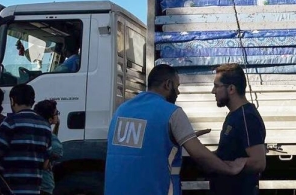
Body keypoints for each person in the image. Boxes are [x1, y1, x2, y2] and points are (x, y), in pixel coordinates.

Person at [105, 64, 246, 195]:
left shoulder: (121, 110)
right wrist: (230, 169)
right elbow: (200, 155)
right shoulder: (172, 112)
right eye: (177, 86)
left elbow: (143, 146)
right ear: (168, 84)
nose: (178, 92)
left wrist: (179, 137)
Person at [209, 63, 267, 195]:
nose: (213, 91)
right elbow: (227, 153)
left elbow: (259, 162)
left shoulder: (247, 117)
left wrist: (231, 166)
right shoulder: (234, 115)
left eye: (217, 86)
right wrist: (201, 155)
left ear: (231, 89)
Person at [0, 84, 52, 195]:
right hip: (34, 189)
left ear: (12, 100)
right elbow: (46, 162)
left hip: (10, 188)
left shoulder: (10, 122)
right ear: (32, 102)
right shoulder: (46, 126)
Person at [33, 99, 63, 195]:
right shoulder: (48, 135)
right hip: (45, 184)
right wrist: (49, 160)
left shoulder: (35, 131)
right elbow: (57, 150)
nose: (57, 115)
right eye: (56, 113)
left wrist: (57, 126)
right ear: (50, 119)